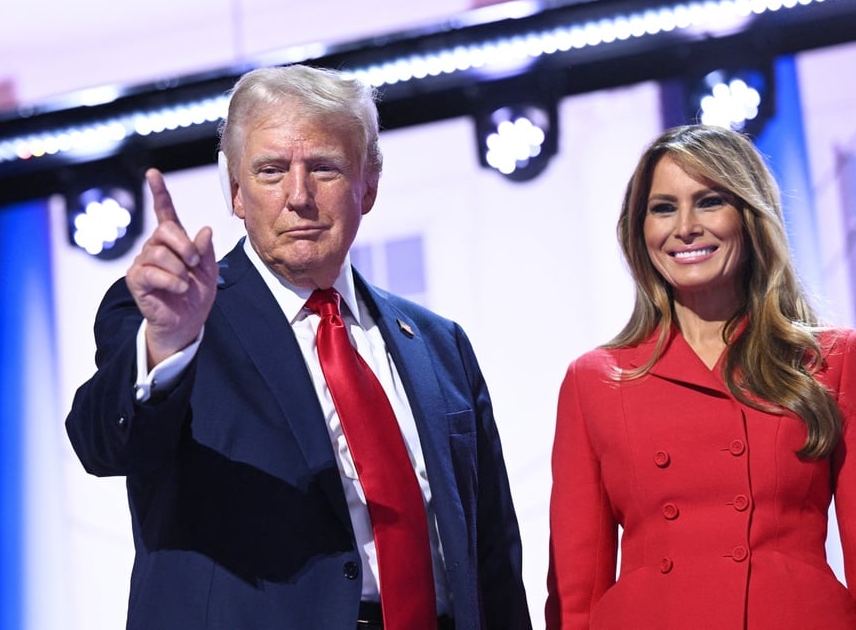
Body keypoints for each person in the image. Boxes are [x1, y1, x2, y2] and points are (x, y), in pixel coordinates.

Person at [65, 64, 531, 630]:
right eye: (270, 170)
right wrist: (167, 341)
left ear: (370, 184)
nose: (299, 196)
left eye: (325, 168)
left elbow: (493, 554)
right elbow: (103, 444)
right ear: (236, 191)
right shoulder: (177, 318)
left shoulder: (439, 345)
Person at [545, 124, 856, 628]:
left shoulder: (832, 360)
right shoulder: (596, 380)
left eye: (710, 201)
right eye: (663, 207)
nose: (685, 227)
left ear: (750, 216)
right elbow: (576, 591)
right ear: (640, 230)